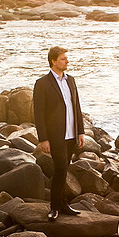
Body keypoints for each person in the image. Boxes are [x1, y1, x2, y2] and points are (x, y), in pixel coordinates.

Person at [33, 46, 86, 221]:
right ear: (53, 61)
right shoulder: (42, 83)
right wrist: (43, 139)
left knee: (64, 169)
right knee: (61, 168)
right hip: (55, 135)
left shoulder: (71, 81)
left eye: (66, 58)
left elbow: (76, 107)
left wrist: (80, 132)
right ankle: (54, 207)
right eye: (63, 58)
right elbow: (39, 113)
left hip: (71, 133)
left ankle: (63, 204)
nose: (67, 61)